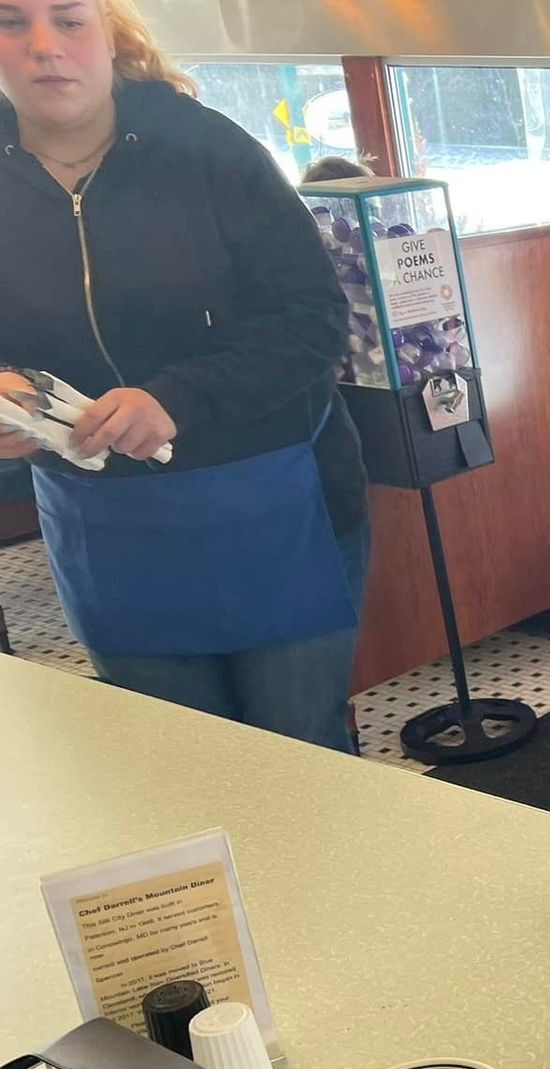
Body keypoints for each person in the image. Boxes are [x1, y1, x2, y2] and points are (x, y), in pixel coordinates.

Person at [0, 0, 370, 752]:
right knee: (175, 764)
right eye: (10, 21)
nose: (43, 46)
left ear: (109, 34)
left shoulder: (208, 151)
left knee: (299, 753)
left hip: (269, 502)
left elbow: (313, 321)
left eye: (69, 20)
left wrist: (176, 398)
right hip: (103, 525)